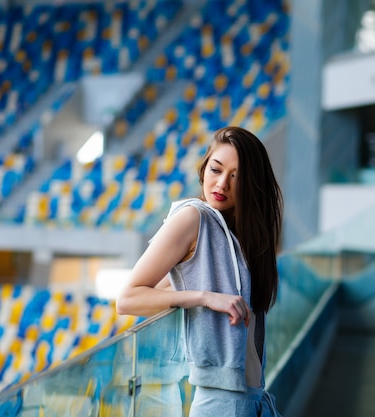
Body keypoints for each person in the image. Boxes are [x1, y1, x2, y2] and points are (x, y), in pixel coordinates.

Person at [116, 126, 283, 416]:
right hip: (221, 404)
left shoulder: (239, 235)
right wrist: (206, 297)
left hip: (254, 400)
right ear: (204, 168)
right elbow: (127, 299)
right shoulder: (193, 217)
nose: (222, 184)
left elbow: (176, 281)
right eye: (216, 170)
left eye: (236, 176)